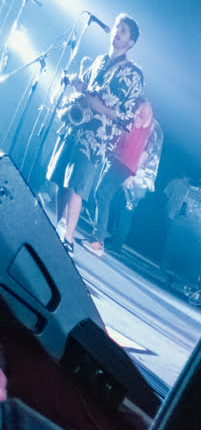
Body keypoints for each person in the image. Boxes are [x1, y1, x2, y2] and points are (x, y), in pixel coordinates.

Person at [47, 14, 144, 256]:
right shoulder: (100, 61)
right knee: (62, 180)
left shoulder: (134, 74)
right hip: (75, 126)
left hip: (96, 138)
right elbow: (88, 91)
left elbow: (127, 118)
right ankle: (57, 230)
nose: (117, 32)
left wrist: (98, 107)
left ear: (131, 42)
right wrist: (79, 85)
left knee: (78, 186)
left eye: (123, 31)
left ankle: (68, 240)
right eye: (117, 27)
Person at [82, 97, 160, 256]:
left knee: (104, 195)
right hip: (121, 160)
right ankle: (98, 237)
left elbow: (146, 151)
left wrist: (134, 172)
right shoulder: (147, 119)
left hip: (125, 163)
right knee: (102, 194)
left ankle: (98, 240)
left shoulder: (148, 117)